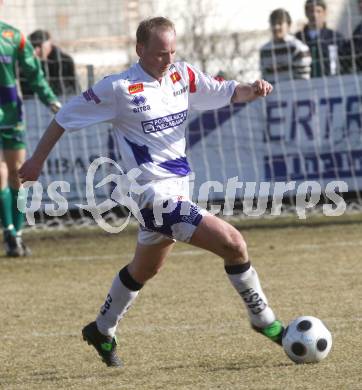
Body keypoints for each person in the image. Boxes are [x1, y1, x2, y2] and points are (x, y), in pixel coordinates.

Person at [19, 17, 284, 367]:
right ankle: (265, 320)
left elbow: (226, 92)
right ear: (139, 49)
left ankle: (101, 329)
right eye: (160, 53)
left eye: (173, 51)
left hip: (179, 189)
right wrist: (36, 161)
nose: (168, 59)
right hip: (151, 196)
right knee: (233, 244)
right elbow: (64, 117)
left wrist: (254, 88)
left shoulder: (181, 75)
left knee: (144, 270)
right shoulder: (119, 88)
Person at [0, 3, 61, 257]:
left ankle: (17, 234)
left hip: (11, 113)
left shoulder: (13, 37)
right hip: (9, 113)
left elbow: (33, 73)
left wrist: (51, 100)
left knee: (18, 175)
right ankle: (10, 232)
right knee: (1, 172)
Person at [296, 0, 347, 77]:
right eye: (311, 11)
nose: (314, 15)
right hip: (304, 83)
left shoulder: (335, 37)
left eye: (318, 11)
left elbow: (345, 62)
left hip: (331, 81)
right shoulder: (298, 38)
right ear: (306, 13)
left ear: (325, 13)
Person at [20, 29, 78, 97]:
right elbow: (26, 91)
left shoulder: (65, 61)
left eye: (39, 45)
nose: (36, 50)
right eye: (33, 46)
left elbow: (74, 86)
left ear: (48, 43)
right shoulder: (26, 63)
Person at [260, 8, 311, 84]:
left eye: (280, 23)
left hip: (294, 93)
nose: (276, 27)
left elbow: (303, 80)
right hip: (271, 94)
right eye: (273, 23)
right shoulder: (265, 50)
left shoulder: (299, 48)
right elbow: (264, 77)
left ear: (289, 25)